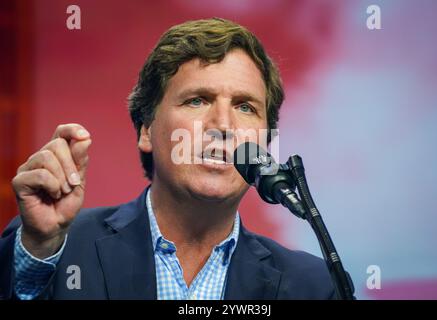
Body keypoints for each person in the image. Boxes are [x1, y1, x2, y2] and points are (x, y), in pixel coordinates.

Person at [0, 18, 334, 300]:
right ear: (146, 130)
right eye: (197, 100)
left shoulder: (313, 286)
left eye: (245, 106)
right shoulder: (56, 247)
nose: (223, 125)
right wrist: (39, 249)